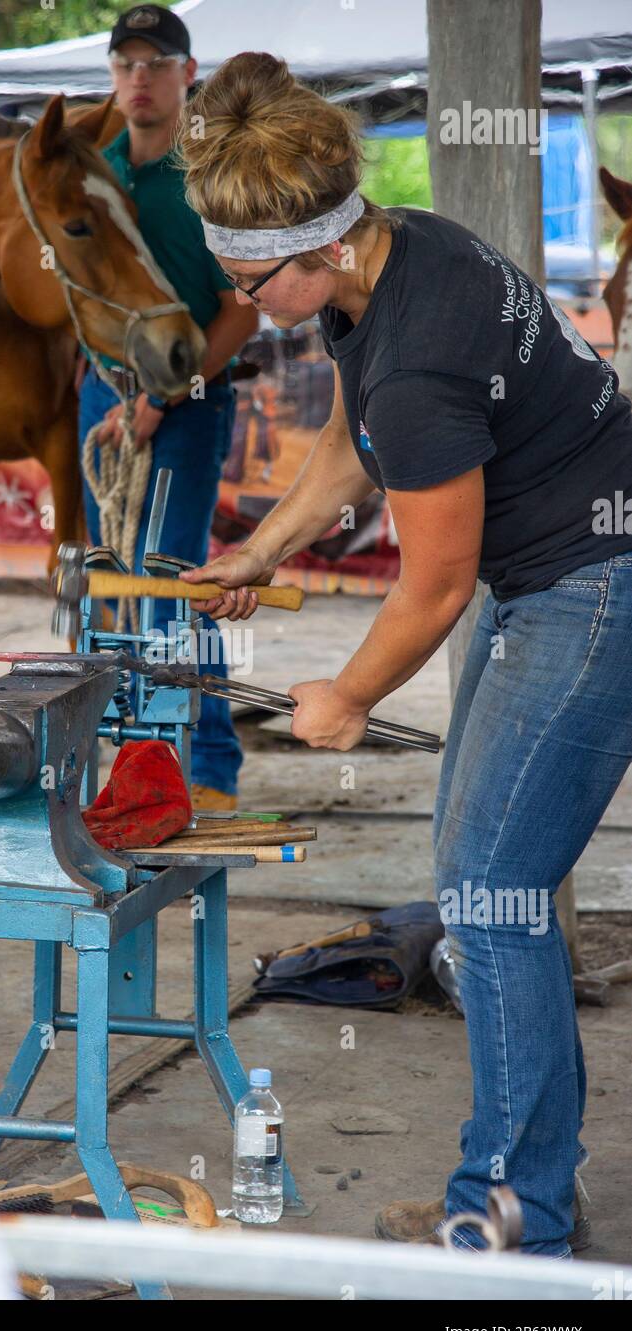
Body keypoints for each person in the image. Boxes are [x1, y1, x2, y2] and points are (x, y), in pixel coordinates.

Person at [178, 51, 632, 1258]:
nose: (239, 296)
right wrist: (256, 551)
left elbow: (431, 583)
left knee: (487, 898)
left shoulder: (425, 351)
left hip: (587, 585)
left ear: (321, 245)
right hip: (550, 570)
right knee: (486, 885)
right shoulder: (387, 262)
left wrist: (345, 694)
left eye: (249, 276)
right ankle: (520, 1187)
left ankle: (516, 1228)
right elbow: (352, 438)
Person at [76, 5, 258, 809]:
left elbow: (241, 309)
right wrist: (114, 393)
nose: (138, 78)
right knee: (108, 574)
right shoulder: (93, 172)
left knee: (176, 580)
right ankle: (122, 765)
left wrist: (163, 394)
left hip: (188, 400)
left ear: (189, 74)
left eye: (157, 63)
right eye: (125, 64)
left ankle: (210, 764)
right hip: (100, 396)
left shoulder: (206, 179)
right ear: (112, 77)